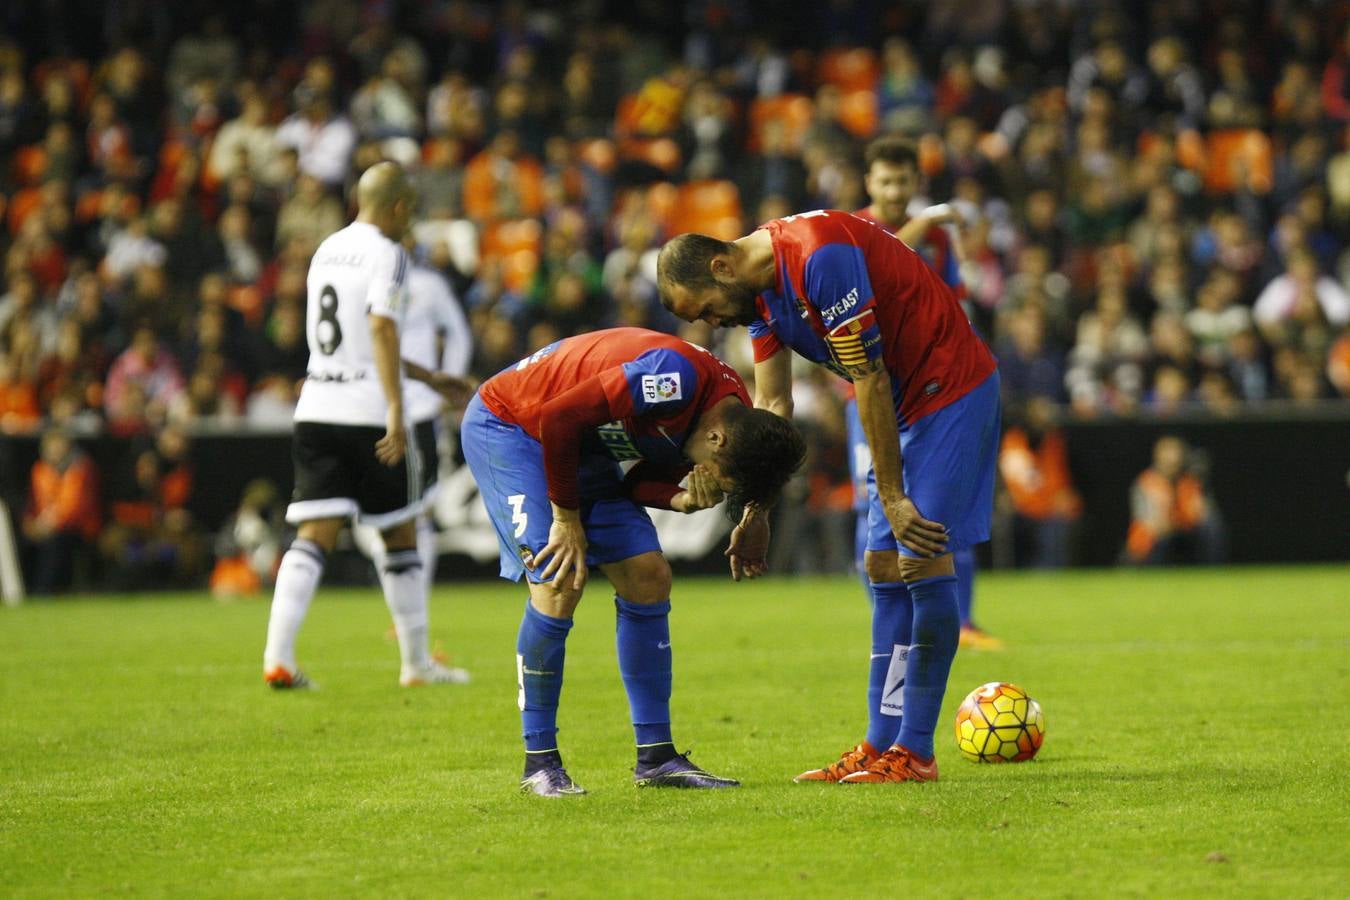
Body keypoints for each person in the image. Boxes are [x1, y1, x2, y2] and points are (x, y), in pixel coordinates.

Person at [657, 209, 1000, 786]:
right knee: (882, 567)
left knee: (921, 557)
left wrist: (891, 495)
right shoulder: (760, 297)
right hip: (897, 408)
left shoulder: (820, 256)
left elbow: (868, 376)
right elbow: (774, 408)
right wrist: (756, 510)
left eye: (708, 309)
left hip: (947, 393)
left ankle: (915, 753)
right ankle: (879, 742)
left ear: (722, 266)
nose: (714, 323)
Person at [460, 327, 805, 797]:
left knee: (649, 575)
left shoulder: (728, 418)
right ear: (718, 439)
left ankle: (657, 757)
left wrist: (680, 499)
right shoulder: (672, 379)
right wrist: (565, 517)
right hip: (513, 426)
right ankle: (539, 763)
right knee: (560, 581)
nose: (715, 483)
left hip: (579, 446)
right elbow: (557, 415)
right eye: (721, 478)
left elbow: (636, 480)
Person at [261, 161, 440, 689]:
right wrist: (396, 408)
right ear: (401, 207)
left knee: (313, 534)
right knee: (400, 528)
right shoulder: (390, 253)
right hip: (367, 410)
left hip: (317, 402)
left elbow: (356, 341)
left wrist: (431, 376)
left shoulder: (327, 248)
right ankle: (415, 664)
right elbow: (381, 328)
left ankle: (279, 657)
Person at [852, 135, 1001, 649]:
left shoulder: (936, 241)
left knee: (944, 505)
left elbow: (954, 301)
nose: (894, 191)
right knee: (872, 507)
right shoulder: (854, 232)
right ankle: (890, 619)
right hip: (871, 395)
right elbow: (885, 253)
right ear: (869, 183)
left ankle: (962, 622)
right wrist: (936, 215)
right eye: (885, 181)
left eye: (903, 181)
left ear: (915, 182)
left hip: (933, 393)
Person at [355, 247, 475, 685]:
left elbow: (457, 334)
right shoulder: (365, 284)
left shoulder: (428, 286)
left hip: (420, 409)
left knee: (416, 515)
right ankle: (409, 625)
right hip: (371, 408)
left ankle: (412, 623)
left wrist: (447, 383)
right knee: (379, 518)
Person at [998, 395, 1081, 568]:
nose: (1045, 417)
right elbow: (1013, 480)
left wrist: (1062, 496)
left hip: (1049, 506)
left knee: (1058, 524)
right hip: (1021, 507)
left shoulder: (1053, 441)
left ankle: (1048, 573)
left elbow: (1060, 478)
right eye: (1040, 413)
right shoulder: (1015, 440)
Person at [22, 427, 101, 594]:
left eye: (59, 447)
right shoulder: (40, 470)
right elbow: (34, 502)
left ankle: (45, 591)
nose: (55, 452)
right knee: (23, 542)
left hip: (80, 527)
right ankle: (24, 589)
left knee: (55, 544)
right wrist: (31, 523)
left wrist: (50, 524)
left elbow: (75, 506)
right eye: (51, 448)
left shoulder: (80, 468)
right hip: (46, 525)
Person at [1124, 436, 1226, 565]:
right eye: (1167, 452)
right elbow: (1145, 521)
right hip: (1153, 539)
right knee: (1155, 539)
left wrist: (1194, 514)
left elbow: (1202, 513)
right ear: (1157, 455)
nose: (1172, 458)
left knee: (1212, 527)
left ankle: (1212, 572)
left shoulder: (1190, 482)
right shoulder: (1145, 482)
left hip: (1183, 531)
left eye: (1175, 452)